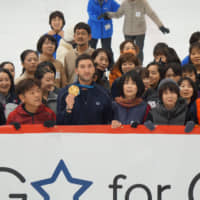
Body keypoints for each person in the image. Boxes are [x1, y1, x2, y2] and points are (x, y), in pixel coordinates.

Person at [100, 0, 170, 63]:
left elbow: (151, 14)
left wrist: (161, 26)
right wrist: (108, 14)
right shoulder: (125, 3)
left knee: (139, 51)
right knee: (128, 51)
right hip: (128, 32)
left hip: (140, 32)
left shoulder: (143, 3)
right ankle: (128, 66)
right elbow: (118, 14)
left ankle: (139, 67)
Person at [56, 54, 112, 125]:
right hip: (72, 135)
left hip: (96, 135)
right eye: (82, 67)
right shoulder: (64, 92)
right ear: (76, 71)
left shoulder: (104, 93)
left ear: (94, 69)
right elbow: (58, 124)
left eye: (89, 66)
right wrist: (68, 109)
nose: (86, 70)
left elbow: (109, 122)